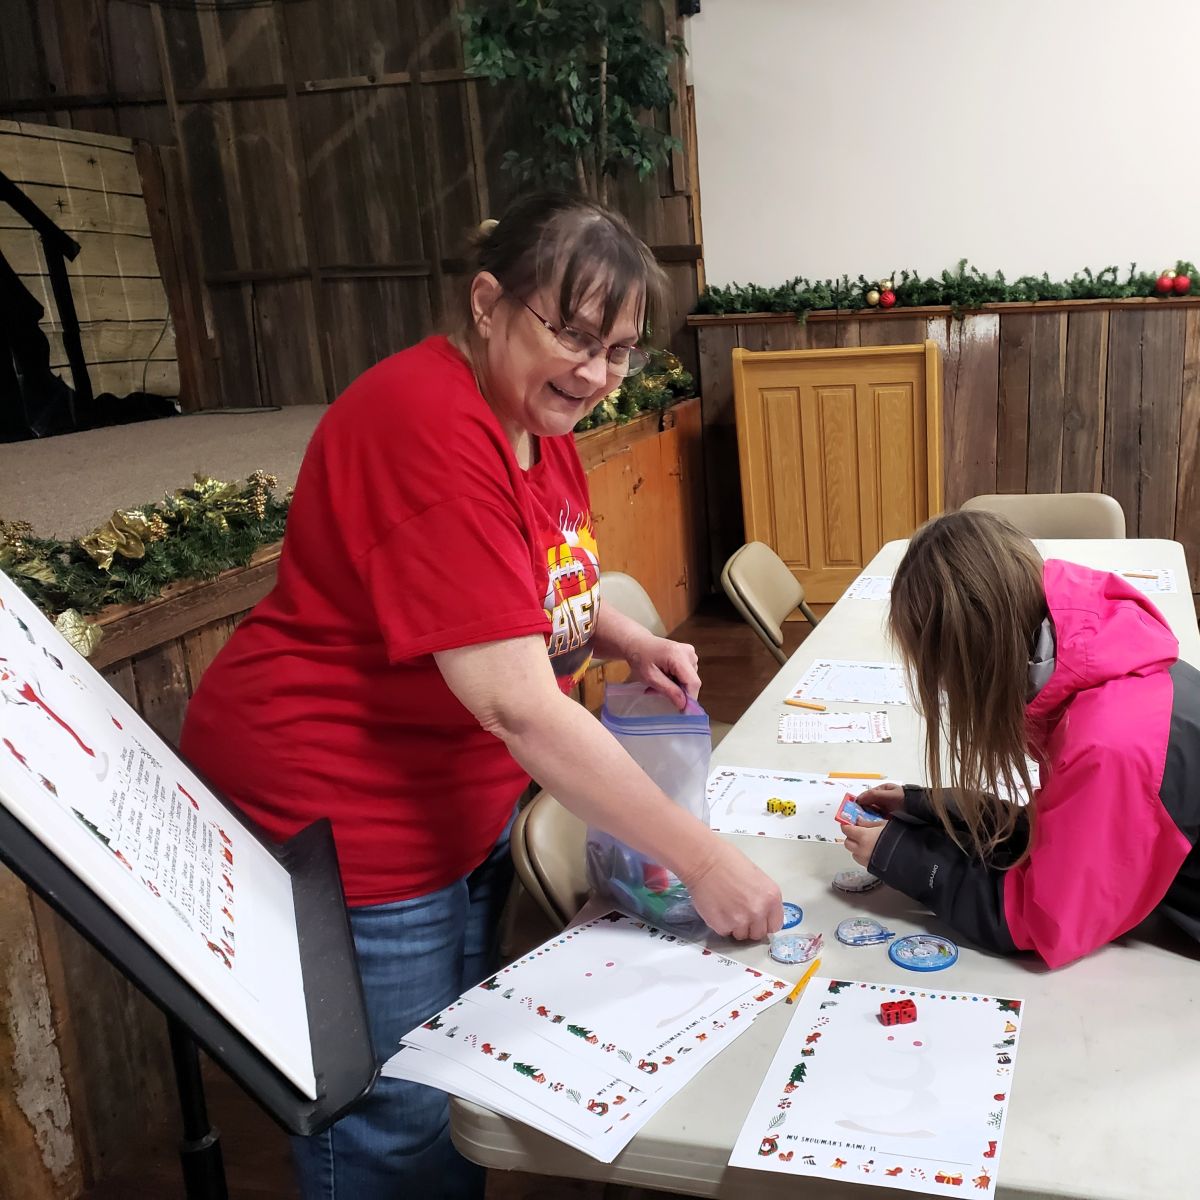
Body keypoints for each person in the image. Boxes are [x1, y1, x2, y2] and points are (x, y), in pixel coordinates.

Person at [180, 191, 783, 1200]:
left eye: (619, 350)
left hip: (453, 795)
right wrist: (705, 860)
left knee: (453, 1079)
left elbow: (523, 585)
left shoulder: (531, 417)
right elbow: (518, 704)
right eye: (572, 335)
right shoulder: (427, 426)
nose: (595, 373)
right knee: (392, 1116)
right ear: (488, 302)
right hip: (349, 811)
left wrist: (624, 633)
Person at [841, 509, 1200, 969]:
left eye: (943, 678)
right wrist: (929, 805)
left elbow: (1037, 920)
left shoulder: (1108, 745)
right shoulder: (1092, 648)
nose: (947, 692)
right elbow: (1068, 826)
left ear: (973, 661)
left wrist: (903, 857)